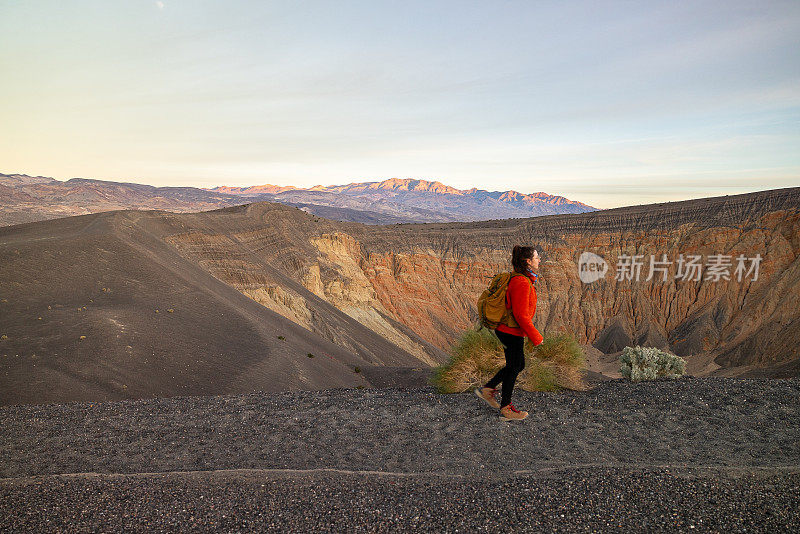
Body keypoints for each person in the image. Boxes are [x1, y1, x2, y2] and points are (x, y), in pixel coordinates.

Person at [475, 245, 544, 421]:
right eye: (536, 257)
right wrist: (536, 337)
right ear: (528, 262)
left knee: (517, 365)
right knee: (515, 366)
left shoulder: (521, 279)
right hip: (510, 332)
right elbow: (521, 315)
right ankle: (506, 408)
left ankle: (488, 389)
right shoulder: (521, 282)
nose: (539, 260)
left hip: (510, 331)